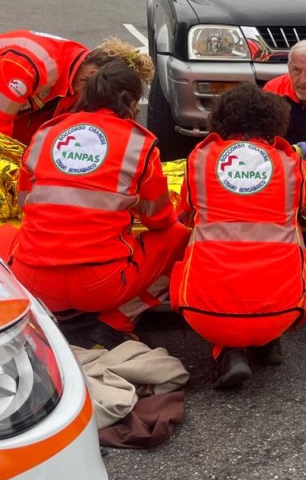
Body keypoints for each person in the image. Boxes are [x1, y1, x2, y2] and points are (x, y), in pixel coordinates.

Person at [10, 59, 190, 348]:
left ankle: (36, 319)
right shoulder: (138, 144)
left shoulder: (46, 133)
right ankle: (115, 322)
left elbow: (23, 201)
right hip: (101, 285)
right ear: (130, 101)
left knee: (5, 235)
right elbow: (160, 220)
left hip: (35, 283)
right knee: (179, 237)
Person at [172, 83, 306, 390]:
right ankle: (267, 339)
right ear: (273, 122)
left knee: (188, 242)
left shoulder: (201, 159)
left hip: (205, 312)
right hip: (283, 309)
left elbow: (185, 212)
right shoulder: (290, 164)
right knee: (293, 235)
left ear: (221, 121)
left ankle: (228, 350)